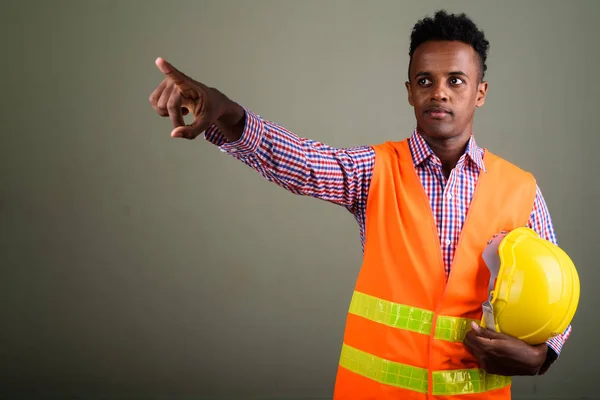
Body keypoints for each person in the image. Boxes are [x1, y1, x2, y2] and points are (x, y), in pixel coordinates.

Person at [149, 9, 571, 399]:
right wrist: (228, 112)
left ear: (480, 92)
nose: (439, 93)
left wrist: (541, 356)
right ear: (409, 92)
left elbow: (558, 291)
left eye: (455, 81)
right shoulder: (375, 171)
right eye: (425, 81)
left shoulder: (520, 189)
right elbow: (303, 162)